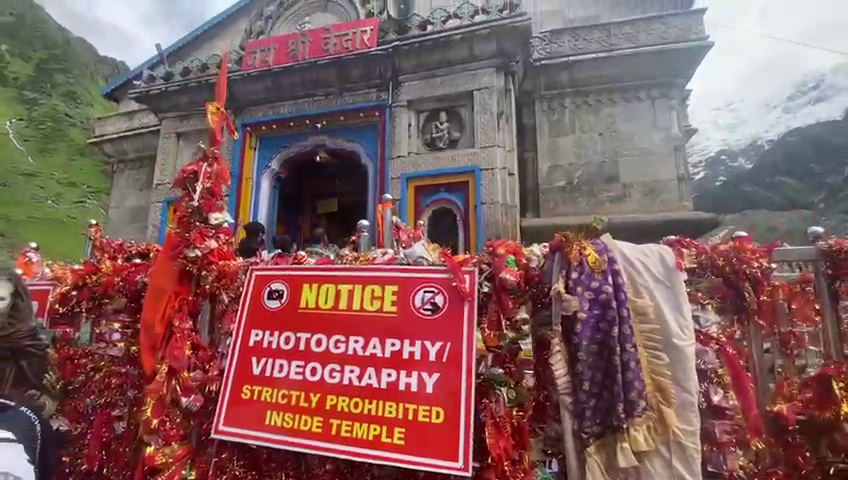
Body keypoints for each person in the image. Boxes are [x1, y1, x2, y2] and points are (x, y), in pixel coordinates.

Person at [0, 271, 56, 480]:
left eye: (1, 299)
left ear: (15, 302)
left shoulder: (29, 339)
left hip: (15, 417)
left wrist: (40, 401)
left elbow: (41, 386)